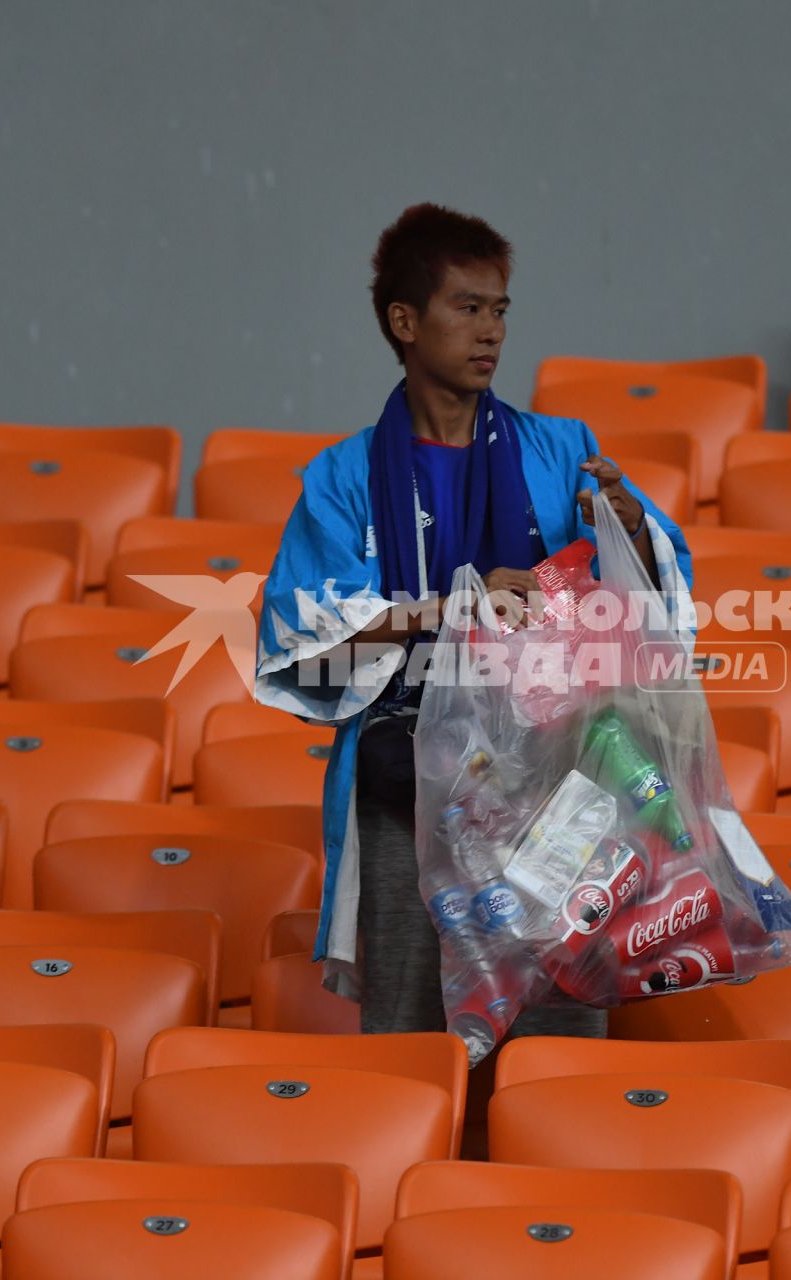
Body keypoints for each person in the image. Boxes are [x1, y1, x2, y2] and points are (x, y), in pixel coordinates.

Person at [254, 203, 694, 1041]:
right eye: (467, 307)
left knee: (556, 1043)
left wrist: (632, 532)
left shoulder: (564, 450)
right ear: (404, 320)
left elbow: (649, 612)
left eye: (500, 310)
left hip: (561, 788)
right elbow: (304, 644)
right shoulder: (344, 479)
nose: (491, 330)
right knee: (417, 1041)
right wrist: (449, 609)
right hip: (410, 794)